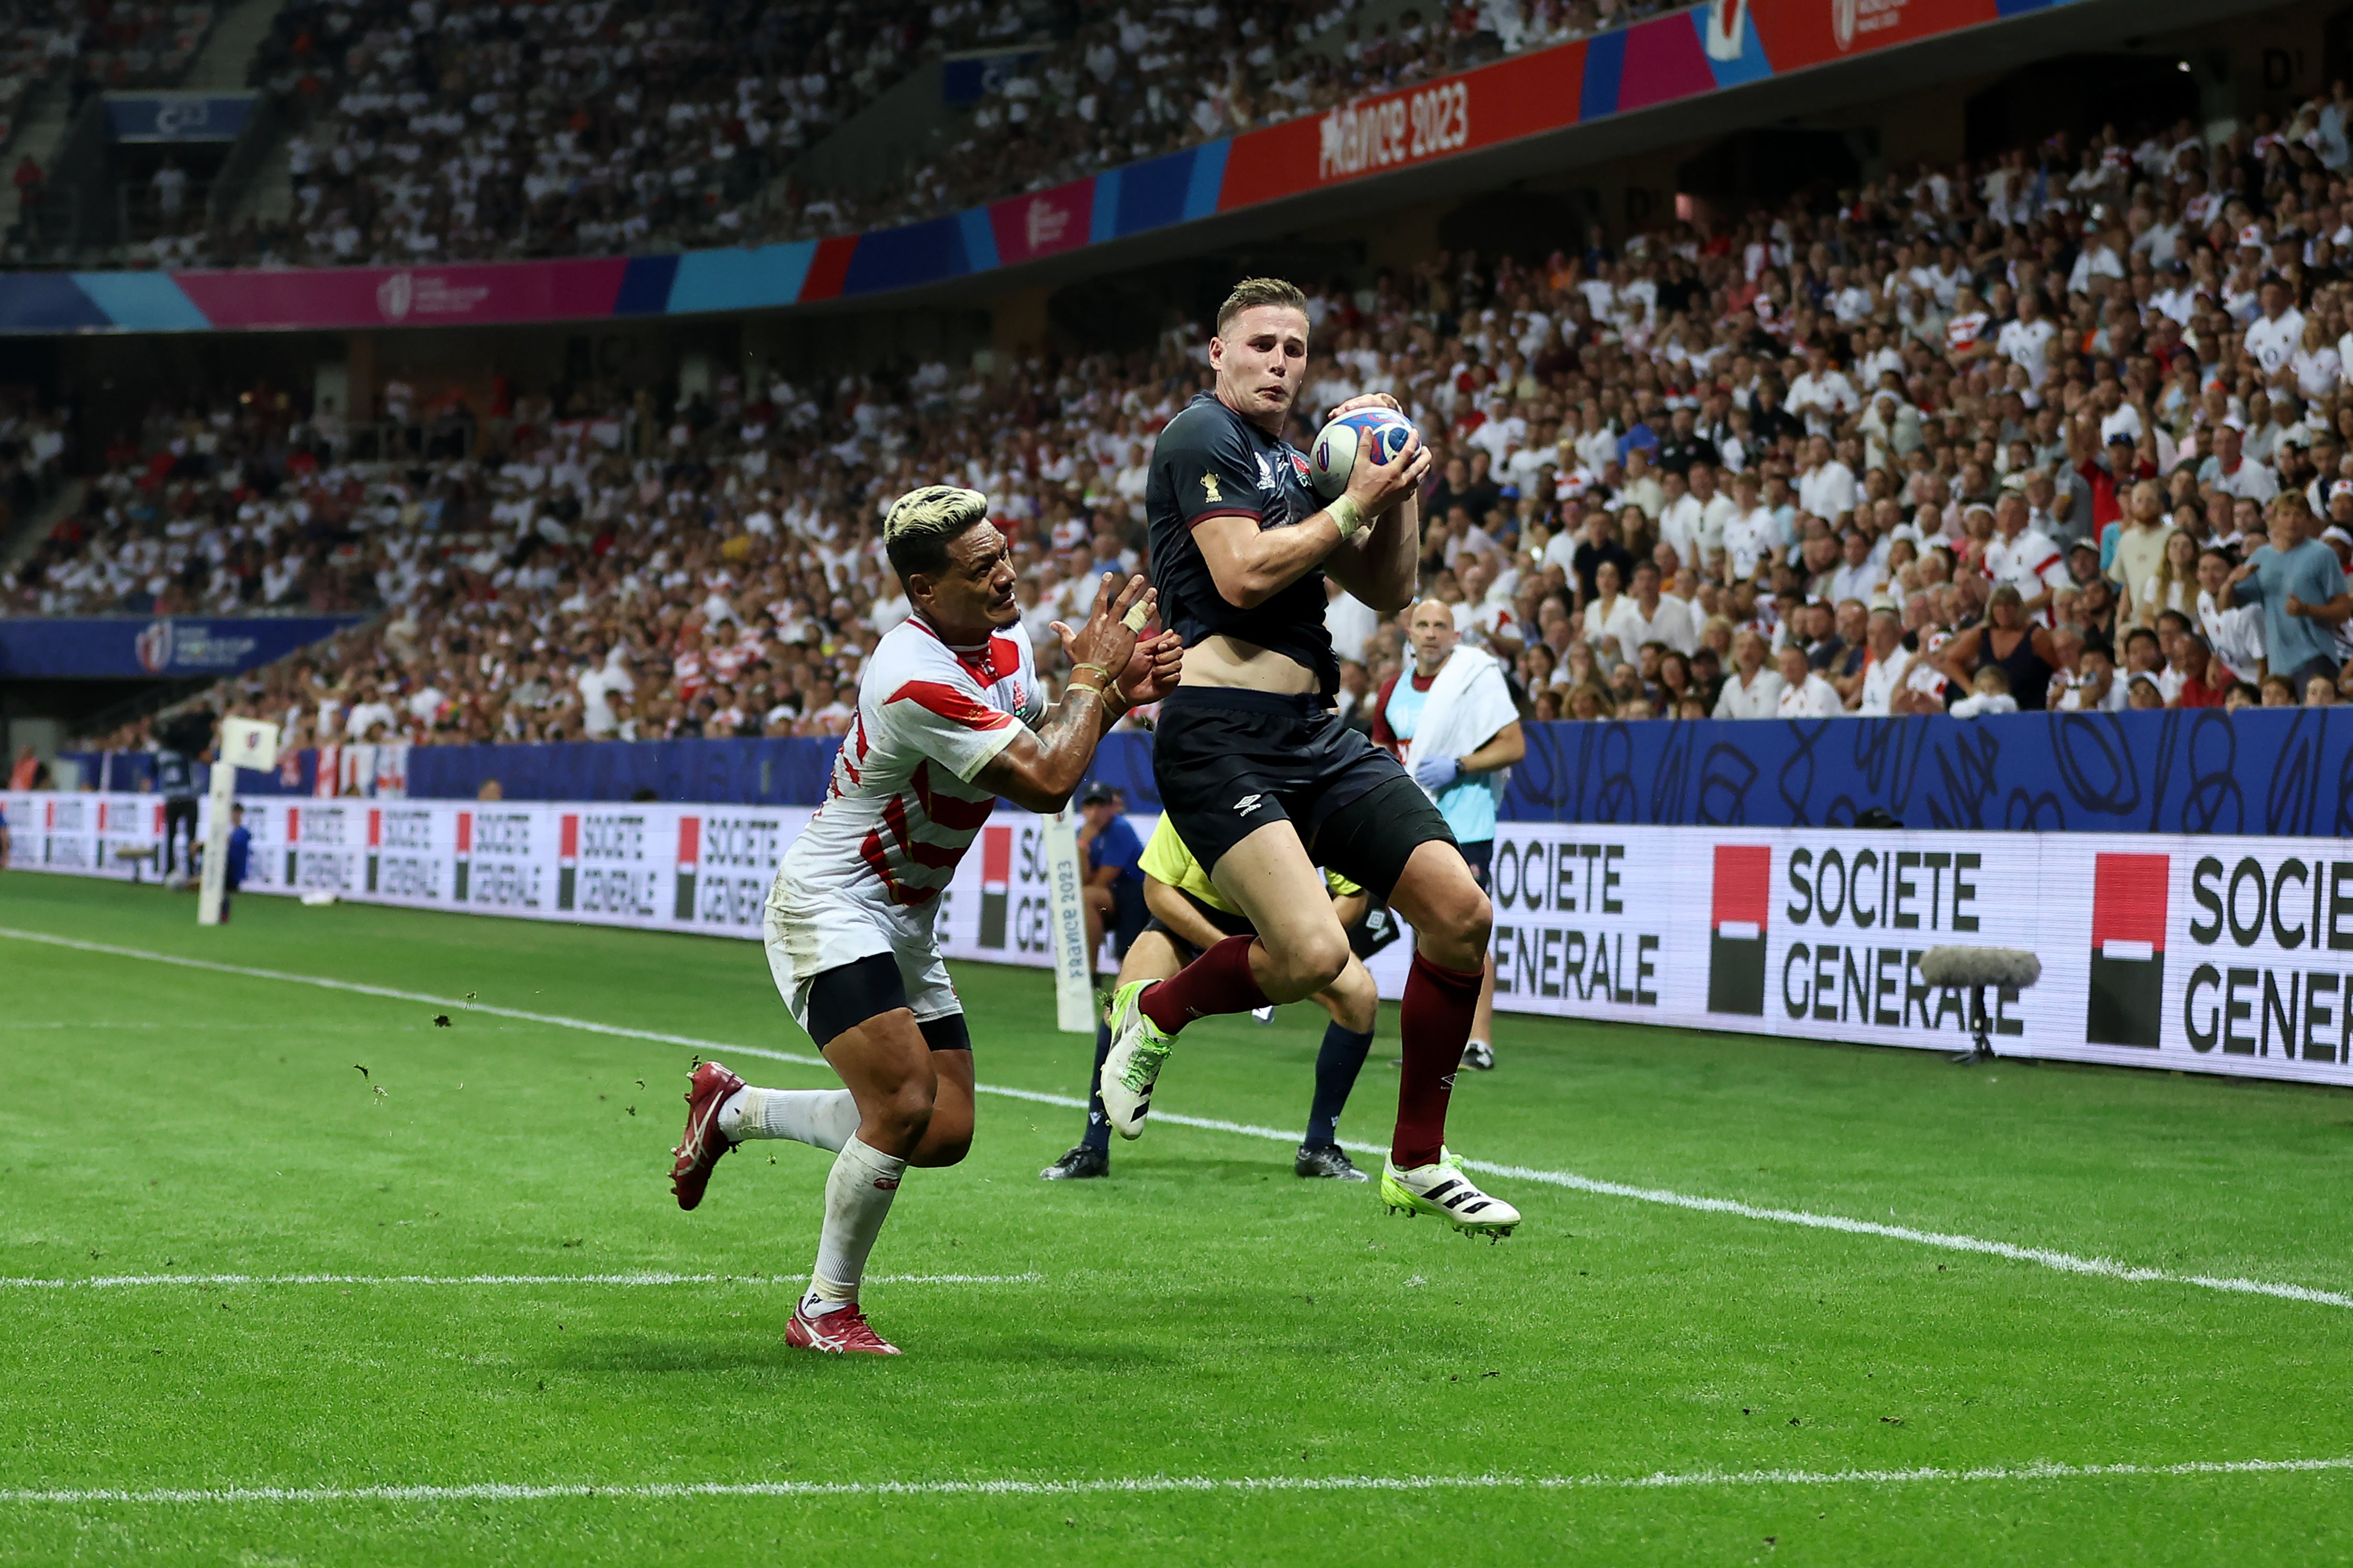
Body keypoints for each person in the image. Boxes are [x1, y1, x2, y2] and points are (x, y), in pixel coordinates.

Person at [666, 485, 1182, 1356]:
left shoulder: (1006, 640)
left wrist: (1110, 697)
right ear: (924, 591)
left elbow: (1042, 750)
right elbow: (1053, 783)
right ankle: (825, 1310)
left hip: (904, 918)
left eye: (1005, 552)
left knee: (941, 1130)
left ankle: (732, 1112)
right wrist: (1095, 681)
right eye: (982, 568)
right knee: (903, 1100)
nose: (1007, 575)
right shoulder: (911, 677)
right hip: (830, 905)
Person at [1099, 276, 1520, 1239]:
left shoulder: (1300, 463)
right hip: (1216, 738)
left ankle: (1416, 1159)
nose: (1279, 362)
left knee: (1461, 913)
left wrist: (1394, 487)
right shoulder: (1198, 435)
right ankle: (1158, 1010)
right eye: (1260, 345)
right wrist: (1350, 503)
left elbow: (1389, 589)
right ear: (1219, 352)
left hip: (1314, 734)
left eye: (1293, 348)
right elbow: (1241, 572)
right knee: (1315, 955)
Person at [1042, 817, 1380, 1182]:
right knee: (1123, 1003)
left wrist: (1300, 944)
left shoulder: (1309, 799)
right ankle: (1094, 1147)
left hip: (1279, 925)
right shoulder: (1196, 785)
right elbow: (1158, 892)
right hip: (1193, 920)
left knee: (1360, 999)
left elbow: (1353, 897)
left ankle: (1319, 1146)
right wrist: (1230, 957)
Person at [1371, 598, 1526, 1071]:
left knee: (1469, 930)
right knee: (1425, 931)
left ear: (1456, 636)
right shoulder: (1392, 691)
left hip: (1468, 823)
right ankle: (1431, 1044)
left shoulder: (1475, 681)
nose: (1432, 633)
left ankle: (1479, 1042)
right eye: (1424, 625)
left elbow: (1514, 745)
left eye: (1442, 625)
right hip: (1413, 822)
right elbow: (1380, 750)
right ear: (1409, 635)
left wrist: (1459, 765)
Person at [2223, 493, 2351, 695]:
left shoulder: (2322, 554)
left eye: (2299, 515)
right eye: (2286, 514)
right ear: (2274, 520)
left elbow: (2344, 610)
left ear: (2308, 520)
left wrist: (2307, 610)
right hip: (2278, 665)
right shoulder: (2261, 557)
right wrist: (2230, 583)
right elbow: (2227, 606)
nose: (2292, 521)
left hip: (2316, 656)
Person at [1939, 585, 2059, 711]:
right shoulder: (1983, 633)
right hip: (1992, 712)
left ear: (2019, 608)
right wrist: (1972, 691)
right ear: (1991, 609)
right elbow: (1951, 662)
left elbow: (2059, 667)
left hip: (2029, 710)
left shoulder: (2036, 636)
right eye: (1999, 606)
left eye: (2009, 606)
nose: (2004, 611)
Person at [1075, 781, 1146, 983]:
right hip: (1113, 897)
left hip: (1136, 894)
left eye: (1101, 806)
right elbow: (1079, 880)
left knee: (1086, 897)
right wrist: (1082, 846)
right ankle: (1088, 972)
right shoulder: (1082, 834)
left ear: (1111, 808)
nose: (1095, 813)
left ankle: (1095, 971)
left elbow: (1101, 880)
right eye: (1090, 806)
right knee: (1081, 899)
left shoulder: (1120, 829)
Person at [220, 804, 252, 921]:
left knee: (223, 892)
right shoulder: (235, 832)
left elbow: (234, 843)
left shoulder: (242, 833)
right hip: (229, 867)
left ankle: (224, 917)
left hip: (233, 870)